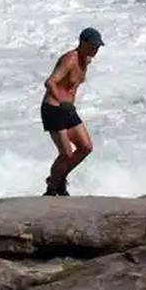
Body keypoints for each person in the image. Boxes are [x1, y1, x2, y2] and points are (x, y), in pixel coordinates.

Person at [40, 28, 103, 197]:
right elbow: (50, 82)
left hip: (68, 110)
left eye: (98, 47)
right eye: (93, 46)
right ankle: (52, 188)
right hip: (54, 108)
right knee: (66, 154)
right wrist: (61, 101)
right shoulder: (70, 59)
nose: (95, 50)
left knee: (86, 147)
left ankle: (59, 178)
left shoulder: (86, 60)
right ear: (82, 43)